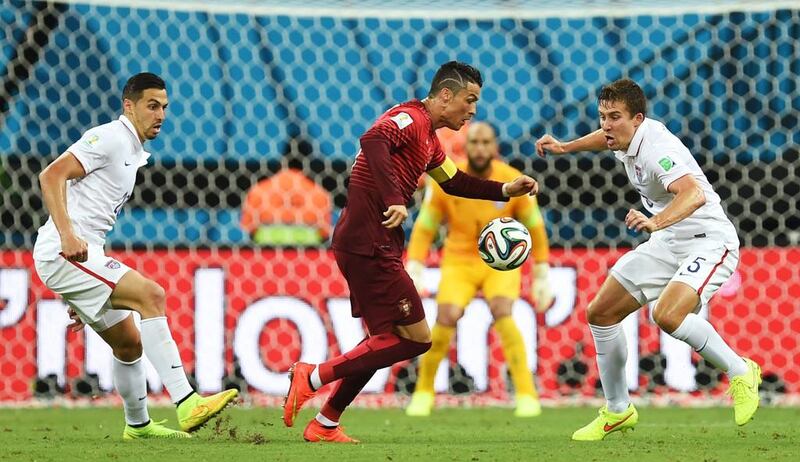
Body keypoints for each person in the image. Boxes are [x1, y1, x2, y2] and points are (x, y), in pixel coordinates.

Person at [282, 61, 539, 443]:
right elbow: (372, 139)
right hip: (369, 243)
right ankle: (313, 375)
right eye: (469, 100)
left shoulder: (430, 140)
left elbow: (453, 182)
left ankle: (326, 423)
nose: (473, 110)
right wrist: (393, 200)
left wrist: (503, 191)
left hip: (368, 242)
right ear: (446, 95)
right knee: (418, 337)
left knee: (382, 340)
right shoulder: (410, 118)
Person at [535, 79, 760, 441]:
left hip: (708, 242)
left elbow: (694, 194)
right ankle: (618, 410)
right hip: (668, 240)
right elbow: (603, 139)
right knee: (601, 313)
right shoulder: (625, 138)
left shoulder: (657, 147)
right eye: (602, 116)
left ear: (637, 118)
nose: (606, 125)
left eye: (615, 118)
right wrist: (565, 147)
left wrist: (654, 221)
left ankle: (740, 371)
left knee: (668, 315)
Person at [33, 73, 238, 440]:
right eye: (152, 105)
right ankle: (187, 401)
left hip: (81, 255)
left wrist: (81, 289)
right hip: (63, 250)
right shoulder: (110, 137)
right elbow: (51, 176)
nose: (160, 115)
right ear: (129, 106)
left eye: (164, 107)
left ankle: (138, 425)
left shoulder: (131, 149)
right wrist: (67, 234)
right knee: (151, 295)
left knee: (128, 342)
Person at [404, 122, 553, 418]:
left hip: (499, 264)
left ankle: (526, 393)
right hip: (459, 260)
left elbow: (535, 227)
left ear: (495, 146)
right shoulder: (446, 179)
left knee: (503, 311)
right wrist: (416, 264)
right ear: (466, 145)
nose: (480, 148)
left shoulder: (512, 181)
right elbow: (425, 226)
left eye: (486, 142)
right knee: (446, 317)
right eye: (474, 142)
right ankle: (423, 392)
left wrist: (541, 272)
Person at [240, 139, 332, 246]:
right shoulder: (318, 192)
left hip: (267, 246)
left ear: (283, 158)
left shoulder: (260, 189)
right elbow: (325, 232)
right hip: (306, 247)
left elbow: (248, 227)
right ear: (308, 161)